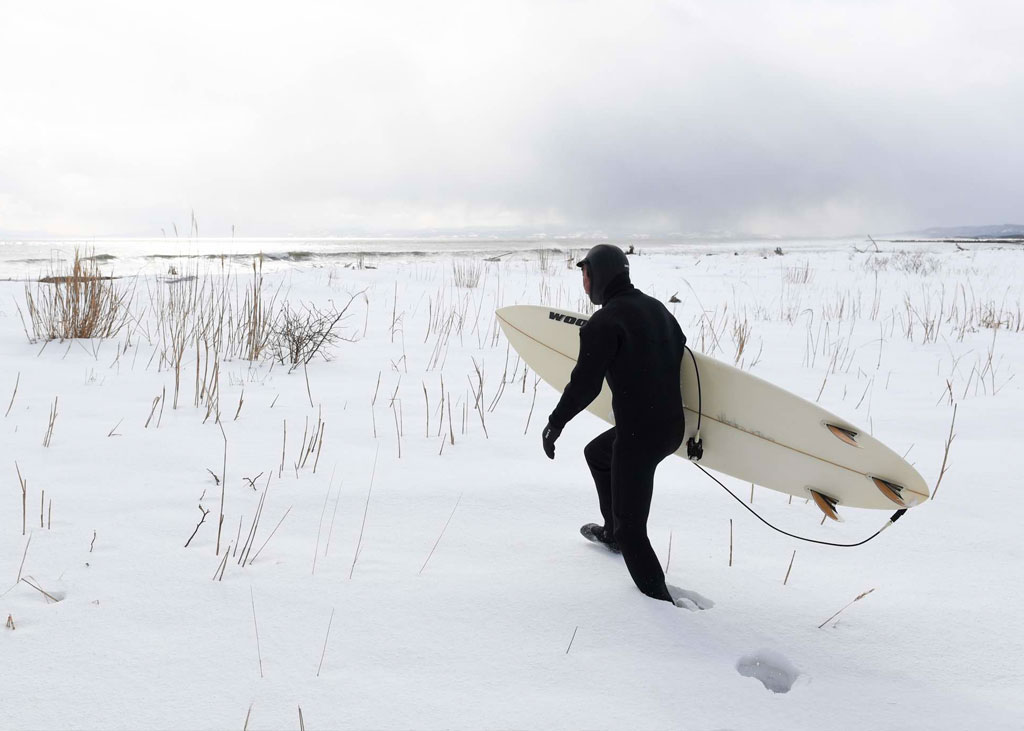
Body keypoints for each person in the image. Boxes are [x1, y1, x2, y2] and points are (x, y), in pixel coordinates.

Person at [542, 244, 686, 603]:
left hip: (639, 436)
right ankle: (610, 533)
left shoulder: (604, 323)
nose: (584, 284)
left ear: (599, 274)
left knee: (632, 530)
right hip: (671, 427)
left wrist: (555, 423)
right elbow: (679, 348)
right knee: (598, 454)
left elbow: (585, 386)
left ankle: (661, 603)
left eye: (585, 276)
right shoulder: (658, 310)